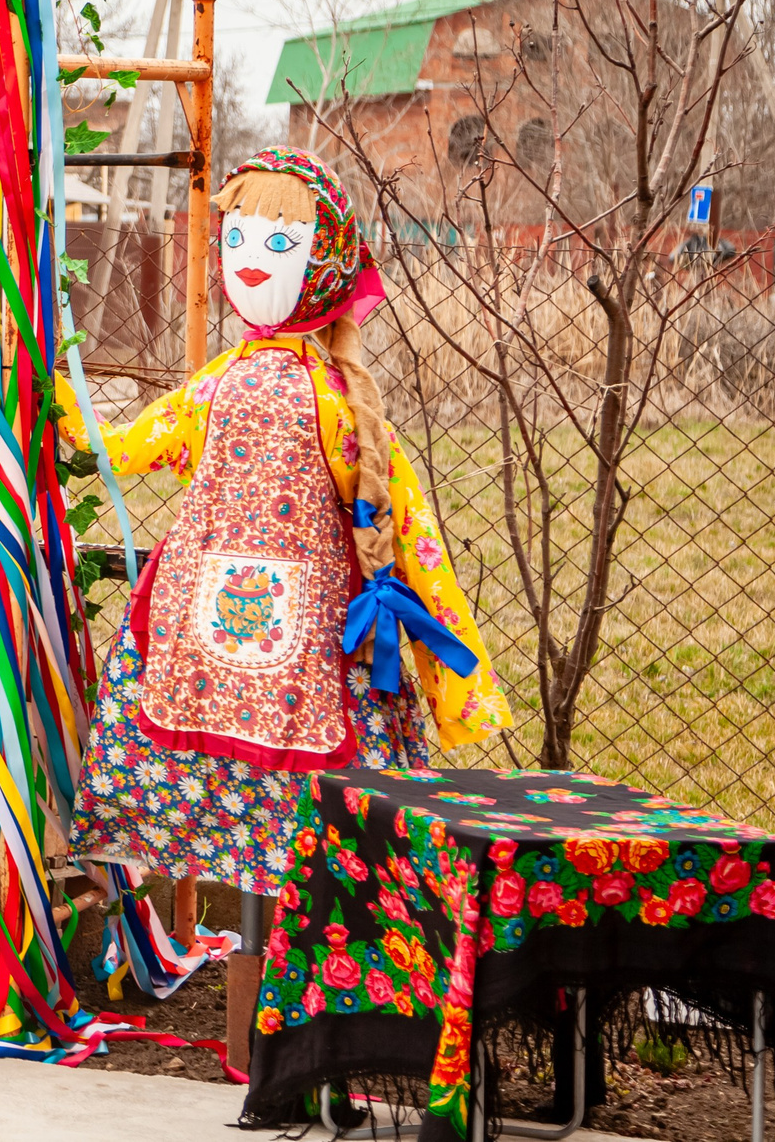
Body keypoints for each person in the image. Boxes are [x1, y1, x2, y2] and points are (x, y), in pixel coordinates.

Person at [64, 147, 511, 896]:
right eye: (236, 236)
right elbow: (131, 444)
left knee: (306, 813)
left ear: (325, 266)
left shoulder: (342, 408)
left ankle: (281, 966)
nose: (248, 259)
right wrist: (60, 403)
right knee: (306, 812)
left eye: (279, 243)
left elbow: (409, 534)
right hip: (237, 642)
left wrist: (457, 679)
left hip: (279, 645)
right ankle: (268, 960)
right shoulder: (234, 386)